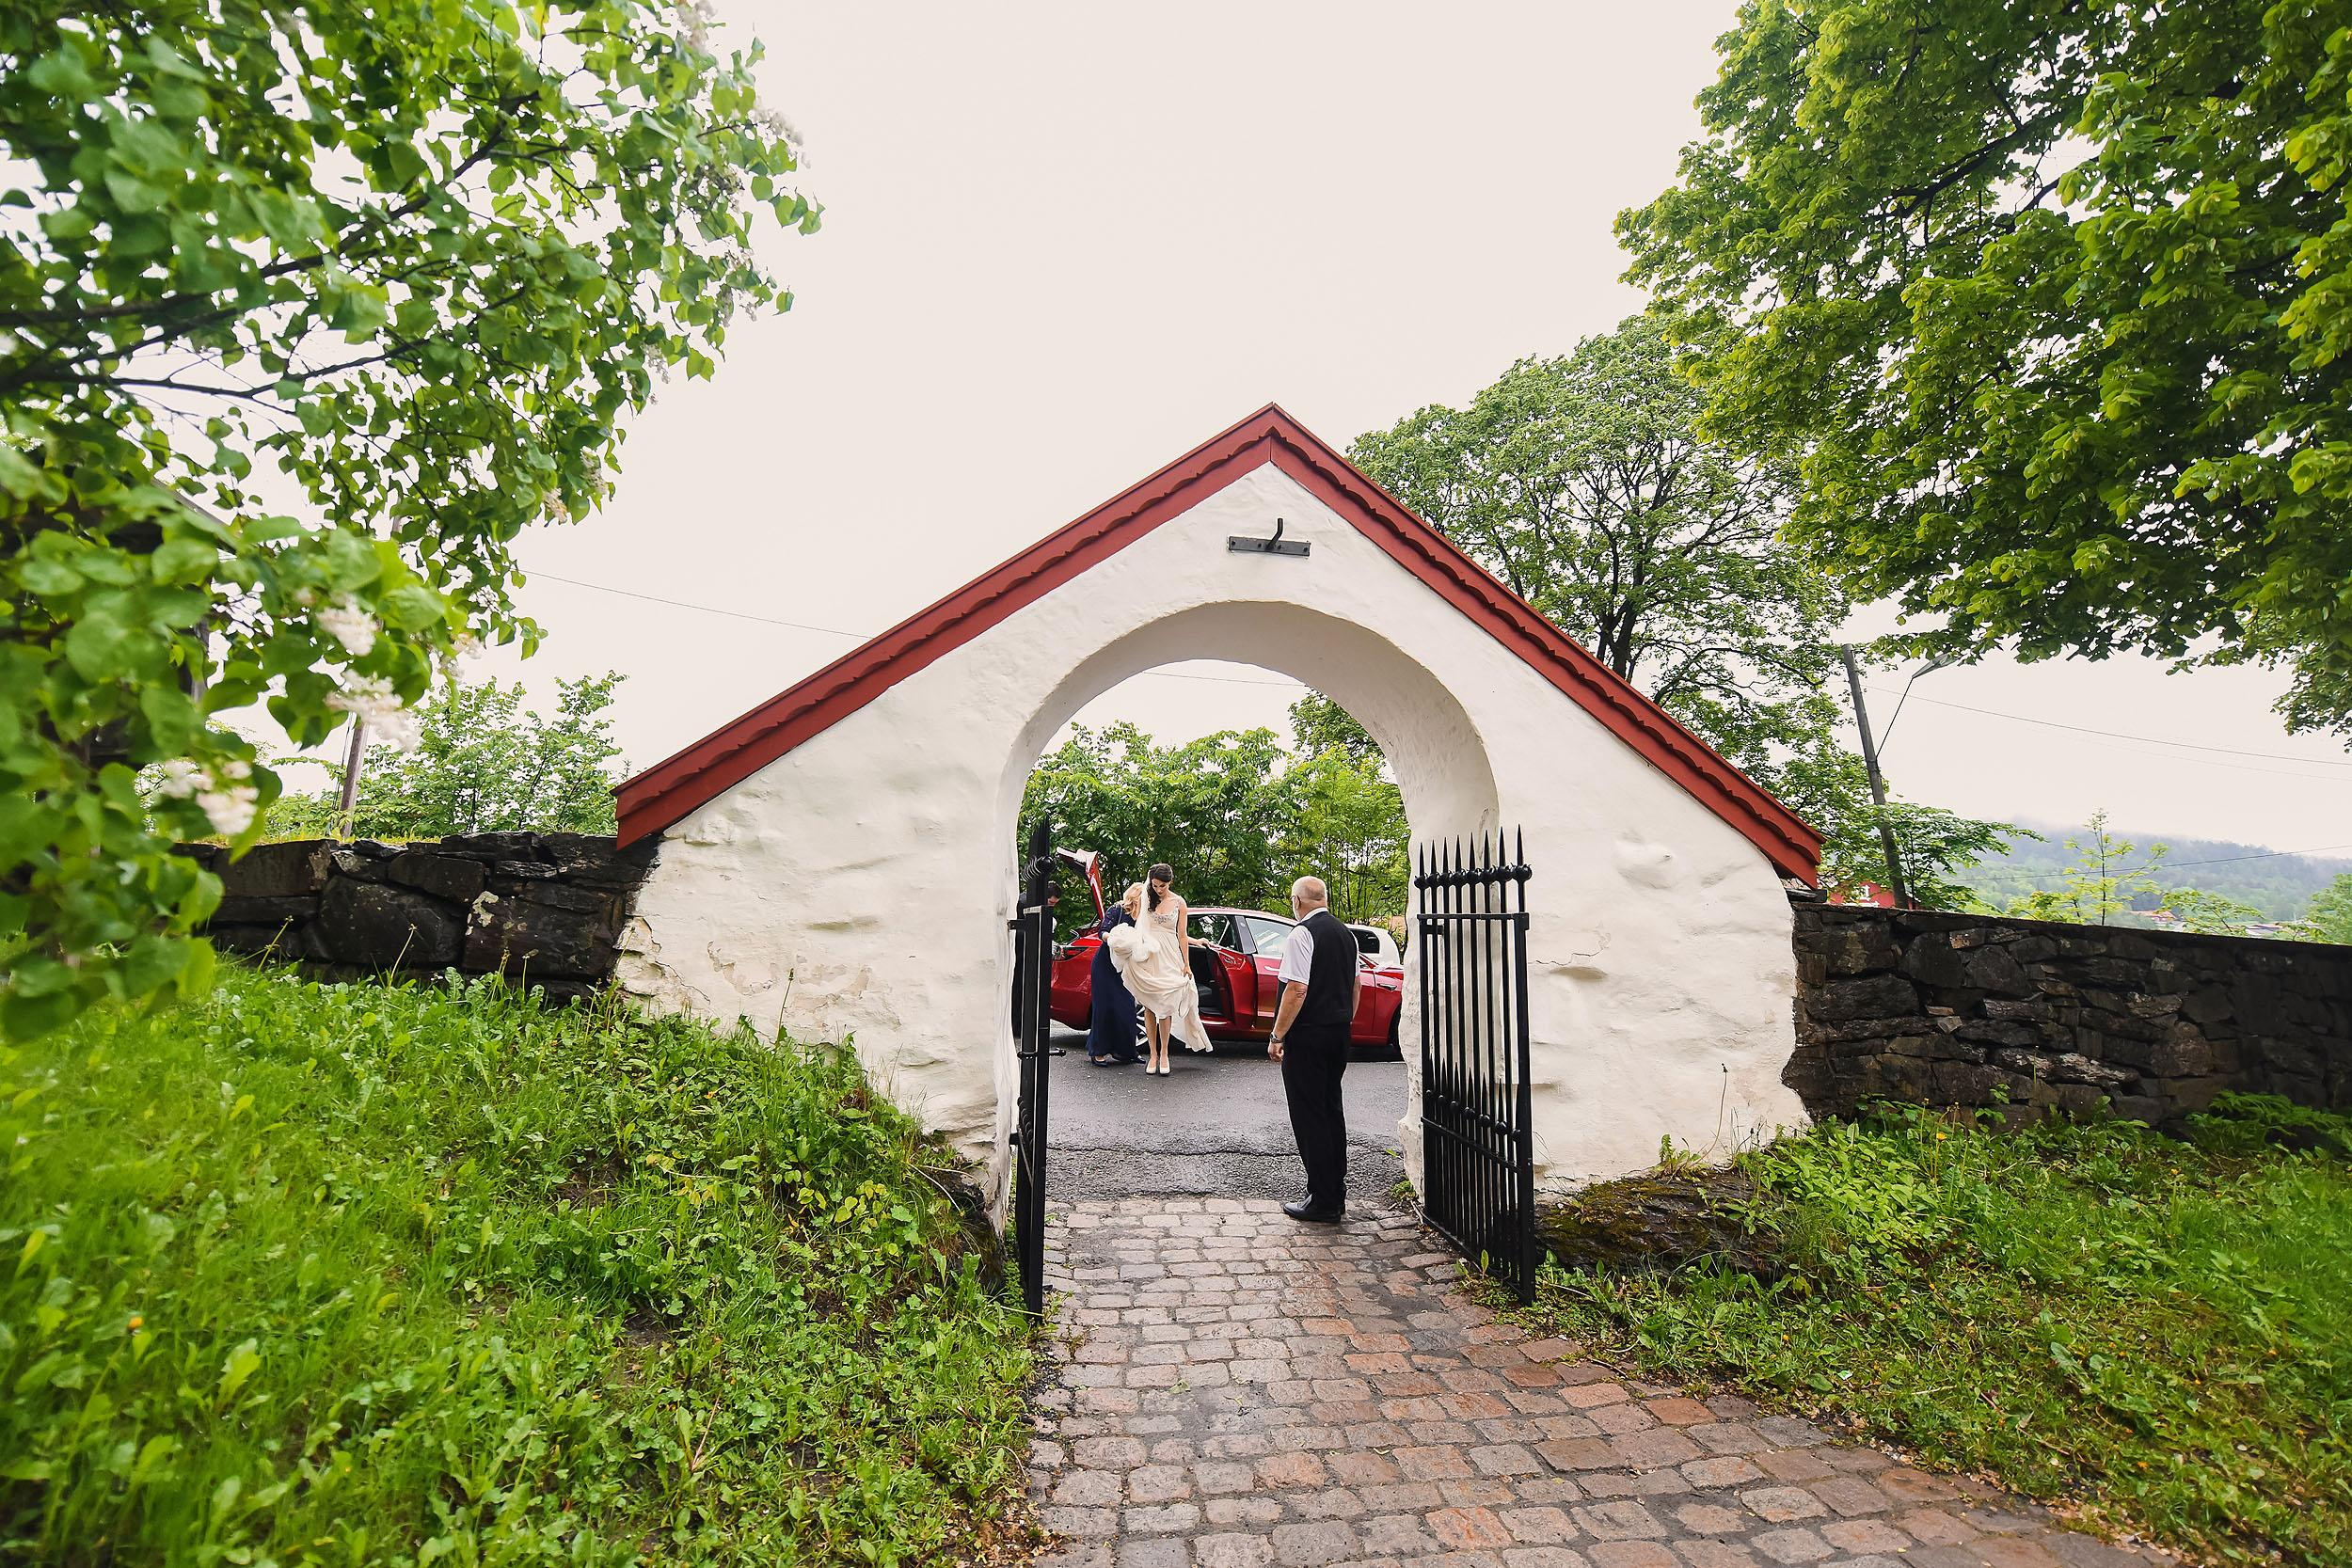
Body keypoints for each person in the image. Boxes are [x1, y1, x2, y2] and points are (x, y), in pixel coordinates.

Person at [1266, 875, 1359, 1223]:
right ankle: (1335, 1192)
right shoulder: (1346, 934)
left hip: (1308, 1035)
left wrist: (1278, 1035)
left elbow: (1296, 989)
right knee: (1331, 1109)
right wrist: (1345, 1020)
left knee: (1309, 1115)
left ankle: (1323, 1199)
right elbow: (1356, 985)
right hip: (1338, 1032)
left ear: (1297, 901)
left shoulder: (1302, 934)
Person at [1108, 862, 1209, 1075]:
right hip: (1149, 955)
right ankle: (1152, 1054)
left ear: (1170, 882)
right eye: (1155, 885)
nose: (1158, 889)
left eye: (1162, 886)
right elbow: (1138, 925)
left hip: (1170, 956)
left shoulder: (1179, 902)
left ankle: (1164, 1053)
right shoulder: (1146, 898)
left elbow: (1181, 935)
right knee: (1149, 1006)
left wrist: (1187, 964)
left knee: (1166, 1006)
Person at [1087, 886, 1142, 1066]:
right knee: (1103, 1008)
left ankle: (1126, 1051)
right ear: (1135, 896)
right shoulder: (1117, 909)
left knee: (1126, 1008)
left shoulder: (1144, 915)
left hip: (1126, 966)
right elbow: (1102, 931)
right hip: (1105, 964)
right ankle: (1098, 1052)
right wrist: (1114, 939)